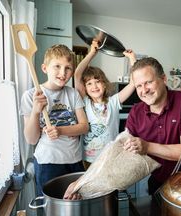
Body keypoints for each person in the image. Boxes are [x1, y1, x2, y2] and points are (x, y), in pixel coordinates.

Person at [122, 57, 181, 195]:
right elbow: (124, 150)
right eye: (138, 86)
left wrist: (147, 146)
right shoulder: (135, 112)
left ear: (164, 79)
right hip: (157, 181)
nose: (144, 90)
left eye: (148, 82)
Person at [20, 44, 89, 196]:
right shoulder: (30, 95)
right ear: (45, 68)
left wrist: (60, 130)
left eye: (68, 68)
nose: (63, 73)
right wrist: (36, 111)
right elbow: (31, 139)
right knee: (50, 208)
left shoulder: (73, 94)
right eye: (57, 66)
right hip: (47, 163)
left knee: (75, 207)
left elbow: (84, 127)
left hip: (75, 161)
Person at [74, 40, 137, 169]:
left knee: (110, 188)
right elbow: (77, 74)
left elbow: (133, 83)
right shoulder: (84, 102)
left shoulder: (113, 101)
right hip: (88, 159)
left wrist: (132, 59)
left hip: (111, 157)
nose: (94, 86)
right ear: (85, 88)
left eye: (97, 81)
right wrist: (92, 53)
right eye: (89, 83)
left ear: (104, 84)